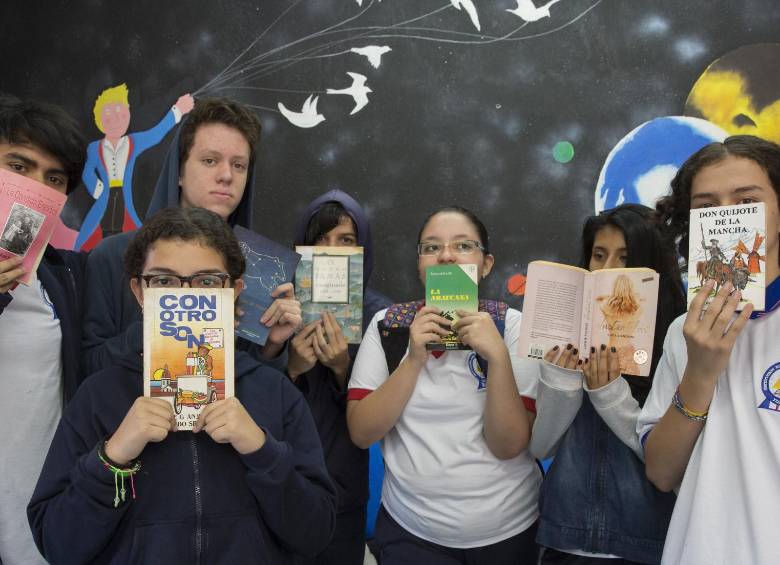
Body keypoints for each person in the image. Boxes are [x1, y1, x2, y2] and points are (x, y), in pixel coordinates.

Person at [28, 206, 337, 564]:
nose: (183, 297)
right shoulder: (99, 396)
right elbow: (57, 545)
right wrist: (112, 458)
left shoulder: (275, 392)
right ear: (140, 292)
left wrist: (261, 449)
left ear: (234, 290)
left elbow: (316, 532)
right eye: (163, 281)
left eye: (207, 281)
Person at [346, 206, 540, 565]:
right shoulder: (388, 326)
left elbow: (509, 445)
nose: (446, 255)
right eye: (431, 247)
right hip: (413, 534)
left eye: (463, 245)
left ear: (486, 264)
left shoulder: (513, 327)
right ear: (420, 265)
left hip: (509, 531)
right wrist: (413, 359)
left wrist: (497, 357)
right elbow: (361, 432)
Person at [82, 96, 300, 376]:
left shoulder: (262, 270)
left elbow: (260, 394)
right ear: (179, 172)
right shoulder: (112, 256)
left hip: (225, 419)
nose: (226, 176)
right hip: (128, 417)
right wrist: (163, 323)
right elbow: (89, 369)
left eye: (239, 165)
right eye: (210, 160)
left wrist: (272, 346)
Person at [638, 135, 780, 563]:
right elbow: (661, 473)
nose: (727, 215)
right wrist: (699, 373)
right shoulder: (684, 330)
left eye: (745, 200)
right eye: (707, 207)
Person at [530, 204, 684, 564]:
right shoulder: (565, 334)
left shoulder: (680, 337)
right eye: (599, 256)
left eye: (625, 258)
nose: (608, 270)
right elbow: (541, 446)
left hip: (646, 538)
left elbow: (668, 465)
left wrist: (609, 393)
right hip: (565, 535)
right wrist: (562, 382)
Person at [0, 94, 86, 565]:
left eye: (54, 179)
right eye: (19, 165)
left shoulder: (64, 276)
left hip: (39, 529)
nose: (36, 187)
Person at [287, 189, 392, 565]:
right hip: (282, 485)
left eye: (346, 240)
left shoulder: (382, 316)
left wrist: (343, 369)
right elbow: (250, 396)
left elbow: (387, 413)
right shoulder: (277, 307)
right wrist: (292, 370)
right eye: (320, 239)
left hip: (343, 491)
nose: (331, 250)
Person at [76, 83, 194, 250]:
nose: (115, 118)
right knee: (94, 234)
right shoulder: (95, 148)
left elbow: (156, 134)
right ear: (99, 117)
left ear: (128, 111)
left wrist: (177, 110)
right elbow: (87, 171)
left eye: (120, 110)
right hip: (105, 198)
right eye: (108, 112)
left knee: (130, 236)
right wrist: (97, 188)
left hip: (125, 199)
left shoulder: (133, 142)